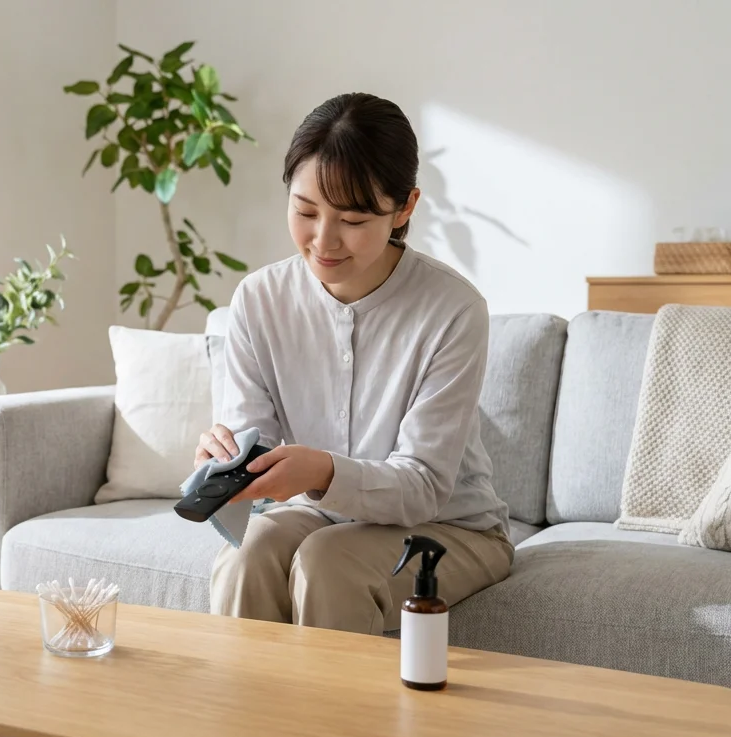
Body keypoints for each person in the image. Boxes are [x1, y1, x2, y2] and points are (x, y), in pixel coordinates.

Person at [199, 92, 513, 636]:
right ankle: (245, 720)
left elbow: (422, 486)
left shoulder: (453, 310)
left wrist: (322, 470)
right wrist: (226, 460)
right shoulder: (258, 299)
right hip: (318, 514)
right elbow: (257, 444)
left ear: (405, 207)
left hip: (449, 526)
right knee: (246, 554)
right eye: (304, 211)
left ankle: (335, 725)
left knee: (331, 564)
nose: (323, 240)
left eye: (352, 218)